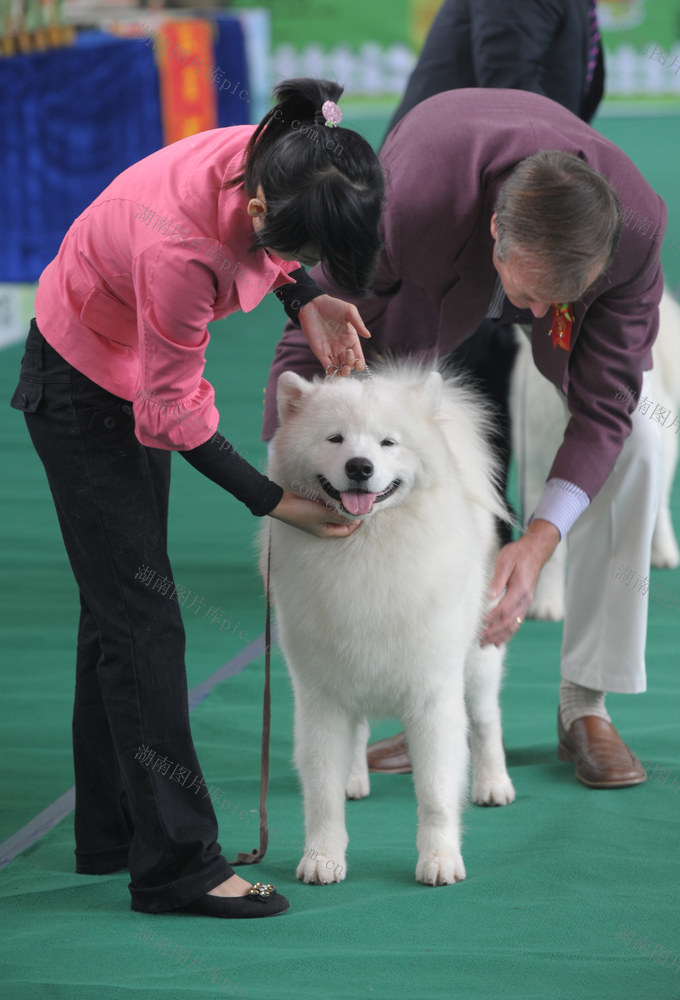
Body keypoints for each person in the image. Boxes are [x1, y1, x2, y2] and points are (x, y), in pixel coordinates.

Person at [9, 78, 384, 919]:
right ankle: (177, 866)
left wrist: (307, 295)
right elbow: (173, 410)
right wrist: (274, 500)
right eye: (294, 254)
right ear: (256, 207)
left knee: (115, 607)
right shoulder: (181, 252)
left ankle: (111, 833)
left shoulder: (289, 150)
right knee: (145, 618)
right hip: (80, 386)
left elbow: (280, 241)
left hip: (114, 352)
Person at [262, 87, 666, 790]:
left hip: (532, 247)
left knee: (640, 442)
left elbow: (605, 406)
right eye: (532, 294)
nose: (541, 315)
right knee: (377, 451)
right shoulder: (405, 209)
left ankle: (586, 703)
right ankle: (424, 693)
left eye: (562, 301)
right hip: (424, 266)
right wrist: (287, 464)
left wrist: (539, 540)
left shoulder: (635, 231)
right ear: (495, 240)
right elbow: (317, 325)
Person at [385, 0, 606, 548]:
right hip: (464, 196)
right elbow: (518, 109)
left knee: (484, 361)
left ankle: (477, 518)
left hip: (501, 192)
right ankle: (456, 523)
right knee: (456, 367)